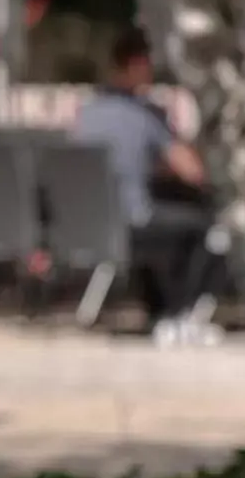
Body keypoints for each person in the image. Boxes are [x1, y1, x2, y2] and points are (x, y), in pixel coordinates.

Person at [72, 27, 212, 334]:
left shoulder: (87, 113)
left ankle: (157, 309)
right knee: (204, 228)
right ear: (138, 65)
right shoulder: (144, 115)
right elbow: (193, 172)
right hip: (132, 221)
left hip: (90, 223)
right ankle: (179, 314)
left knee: (165, 221)